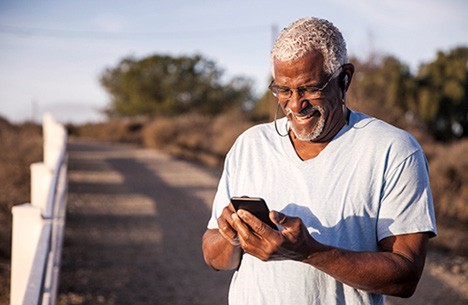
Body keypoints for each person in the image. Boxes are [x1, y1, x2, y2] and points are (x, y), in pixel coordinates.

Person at [202, 17, 436, 305]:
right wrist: (232, 236)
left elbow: (405, 276)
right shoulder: (249, 146)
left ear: (344, 79)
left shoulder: (394, 151)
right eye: (284, 90)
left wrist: (307, 252)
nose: (295, 105)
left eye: (310, 88)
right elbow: (214, 258)